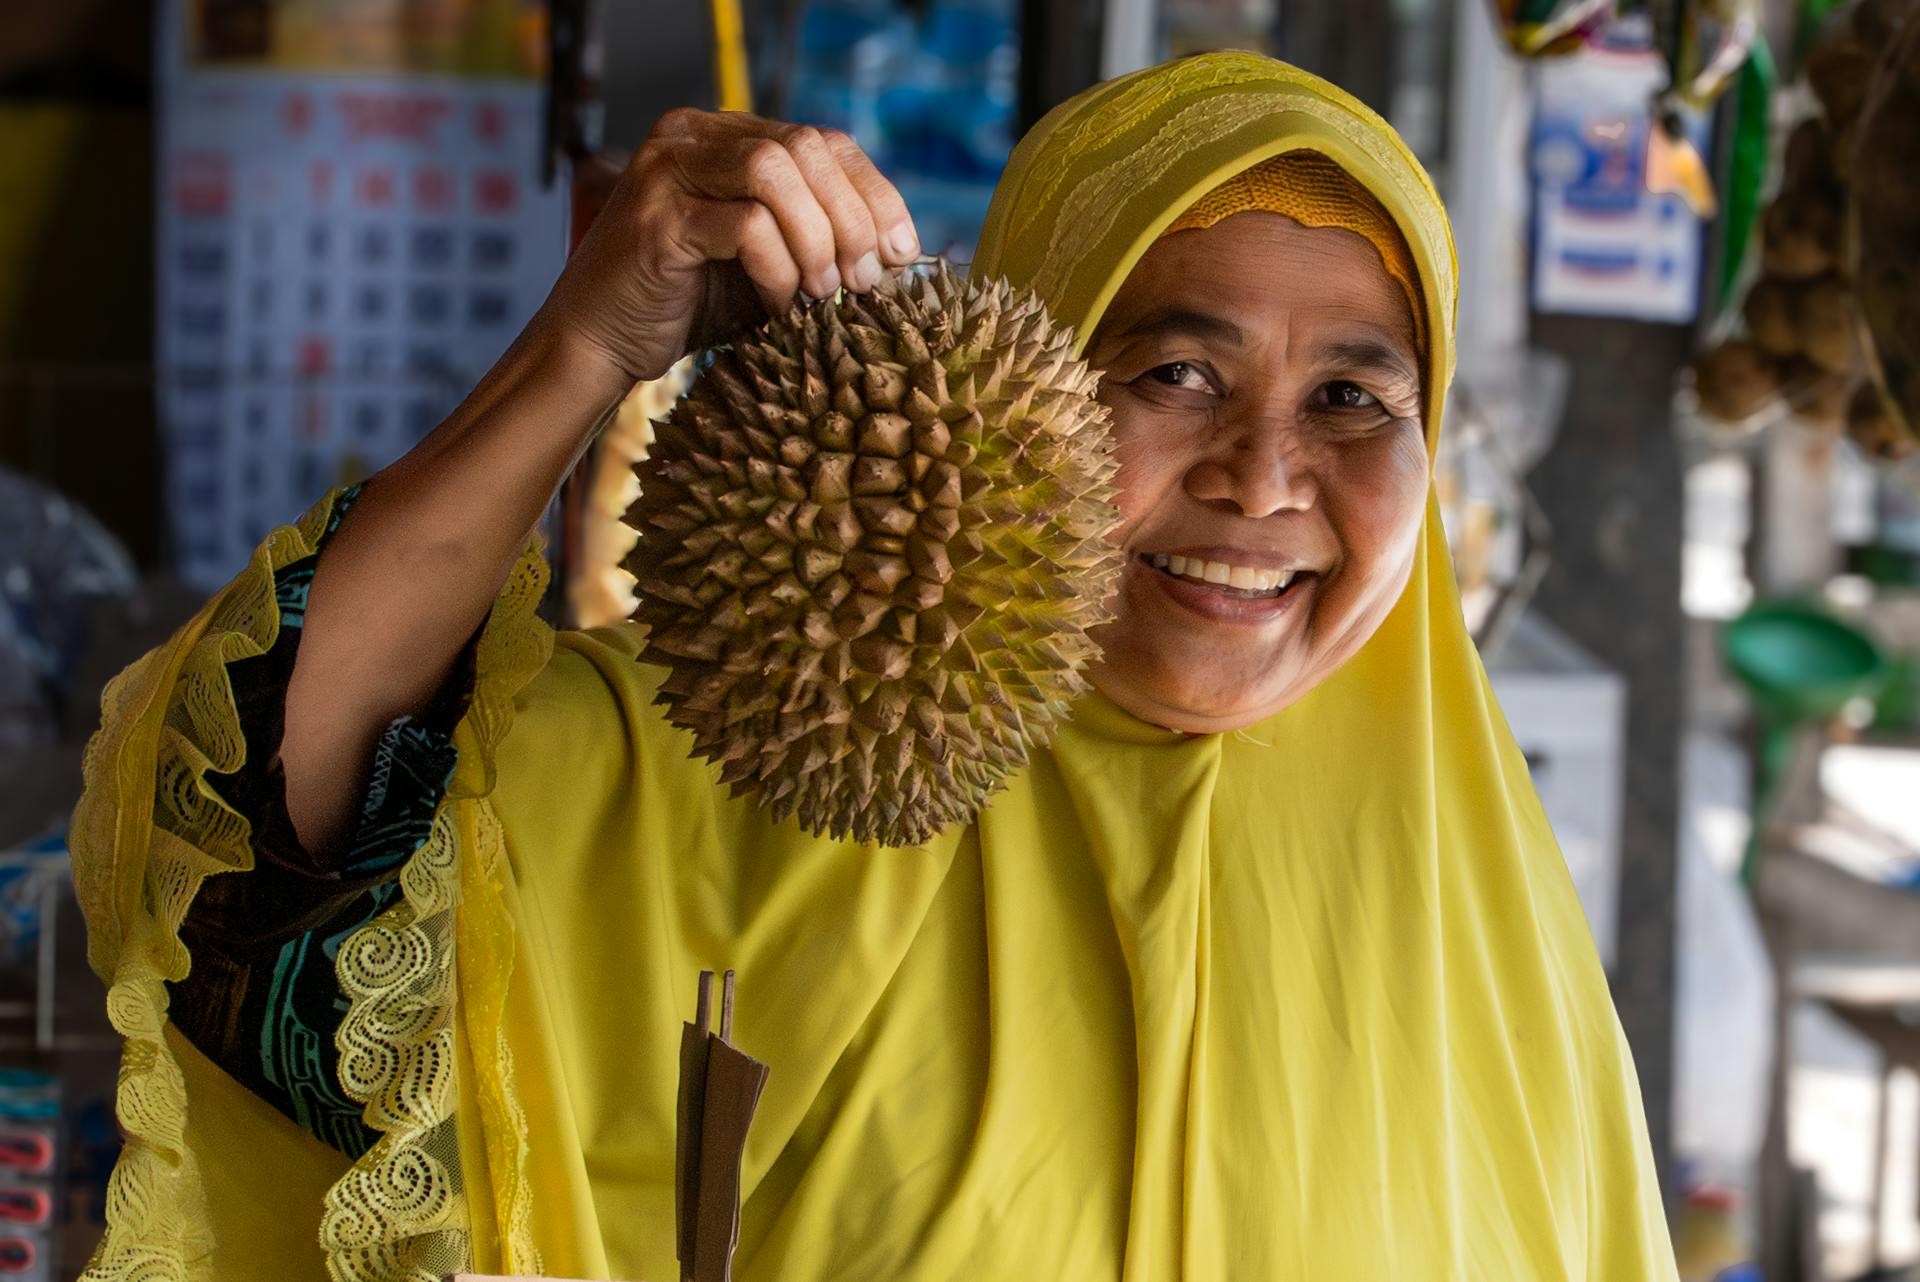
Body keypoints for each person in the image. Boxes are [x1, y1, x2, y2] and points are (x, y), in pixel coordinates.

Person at [72, 51, 1679, 1281]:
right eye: (1176, 370)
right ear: (1020, 385)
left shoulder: (1499, 944)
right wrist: (582, 350)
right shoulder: (767, 768)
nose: (1262, 478)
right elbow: (245, 825)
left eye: (1352, 398)